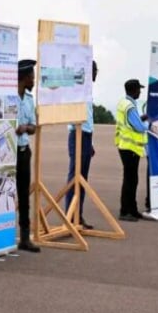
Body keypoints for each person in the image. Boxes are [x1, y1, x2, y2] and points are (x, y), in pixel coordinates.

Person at [65, 60, 97, 230]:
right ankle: (70, 216)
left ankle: (78, 215)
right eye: (93, 69)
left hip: (86, 136)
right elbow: (72, 116)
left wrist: (91, 142)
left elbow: (89, 119)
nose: (96, 73)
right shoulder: (76, 90)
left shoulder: (88, 91)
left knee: (83, 178)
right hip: (76, 135)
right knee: (74, 177)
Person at [115, 79, 149, 222]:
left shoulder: (123, 103)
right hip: (130, 148)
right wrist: (150, 124)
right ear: (134, 90)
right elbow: (139, 127)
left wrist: (142, 119)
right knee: (130, 180)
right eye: (139, 89)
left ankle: (132, 210)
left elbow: (132, 122)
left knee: (131, 179)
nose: (140, 92)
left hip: (124, 146)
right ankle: (125, 211)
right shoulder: (130, 106)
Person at [15, 60, 40, 251]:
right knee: (5, 194)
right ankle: (2, 234)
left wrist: (25, 128)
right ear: (23, 78)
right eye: (31, 76)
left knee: (24, 195)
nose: (34, 80)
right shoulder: (9, 98)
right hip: (10, 152)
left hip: (24, 152)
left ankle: (24, 237)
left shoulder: (30, 99)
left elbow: (33, 127)